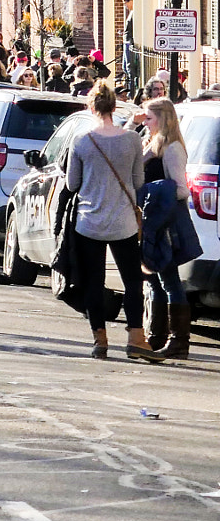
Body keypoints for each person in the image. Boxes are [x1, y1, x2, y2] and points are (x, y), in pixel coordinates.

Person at [59, 83, 161, 361]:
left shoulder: (82, 141)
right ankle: (136, 338)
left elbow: (72, 183)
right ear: (115, 107)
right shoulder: (130, 140)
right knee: (132, 281)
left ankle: (100, 339)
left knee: (94, 281)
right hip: (123, 221)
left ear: (91, 108)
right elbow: (139, 181)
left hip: (89, 221)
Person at [137, 97, 198, 359]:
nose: (145, 122)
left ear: (163, 119)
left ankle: (178, 342)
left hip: (166, 223)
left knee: (169, 280)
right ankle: (156, 336)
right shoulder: (154, 143)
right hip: (152, 221)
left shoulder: (172, 148)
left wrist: (153, 191)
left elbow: (181, 189)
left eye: (148, 118)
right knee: (154, 279)